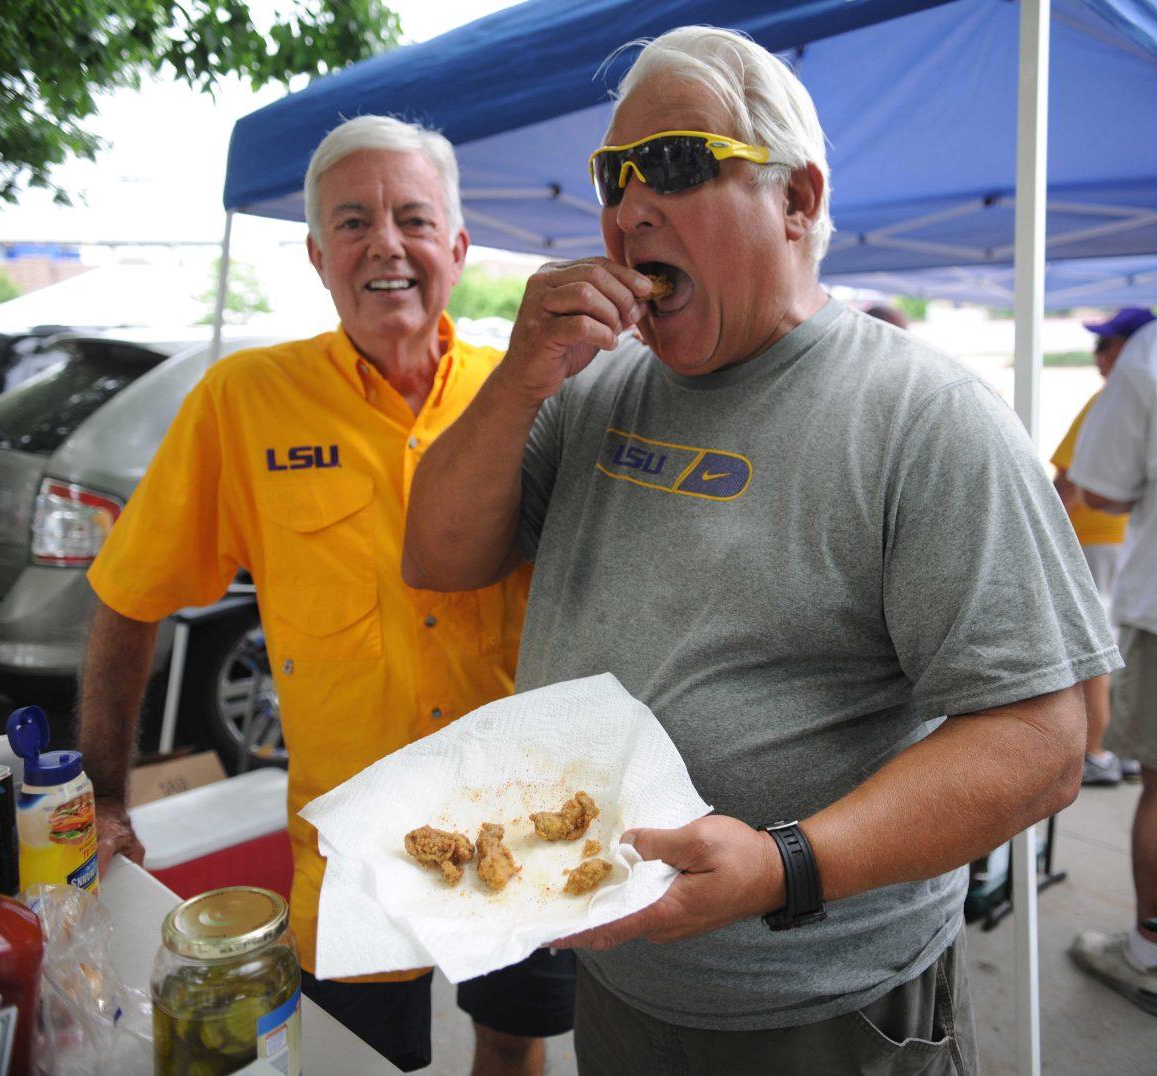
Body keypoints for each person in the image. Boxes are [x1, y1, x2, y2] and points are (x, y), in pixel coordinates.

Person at [401, 26, 1119, 1072]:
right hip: (618, 976)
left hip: (820, 1009)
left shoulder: (925, 418)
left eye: (681, 162)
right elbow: (439, 554)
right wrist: (515, 381)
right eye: (615, 172)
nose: (630, 204)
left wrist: (788, 861)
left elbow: (1049, 736)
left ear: (798, 200)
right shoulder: (590, 386)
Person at [76, 115, 574, 1073]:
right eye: (353, 222)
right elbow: (128, 592)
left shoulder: (532, 392)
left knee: (512, 1043)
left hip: (524, 818)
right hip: (355, 841)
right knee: (357, 1058)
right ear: (316, 254)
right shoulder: (244, 400)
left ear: (458, 248)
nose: (386, 243)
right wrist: (103, 793)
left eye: (413, 219)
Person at [1067, 315, 1157, 1016]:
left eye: (1104, 344)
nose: (1100, 355)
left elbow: (1097, 487)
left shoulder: (1146, 359)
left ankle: (1148, 953)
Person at [1053, 308, 1154, 785]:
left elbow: (1071, 485)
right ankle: (1122, 749)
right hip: (1121, 544)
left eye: (1104, 345)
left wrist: (1042, 538)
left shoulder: (1115, 394)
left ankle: (1097, 751)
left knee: (1091, 646)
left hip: (1097, 543)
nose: (1098, 356)